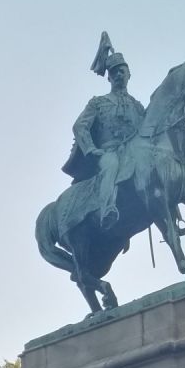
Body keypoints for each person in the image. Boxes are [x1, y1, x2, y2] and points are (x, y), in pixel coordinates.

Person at [62, 32, 146, 230]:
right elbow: (79, 126)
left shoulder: (138, 107)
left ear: (129, 75)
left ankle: (172, 215)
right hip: (108, 152)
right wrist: (91, 149)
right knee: (111, 165)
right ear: (108, 77)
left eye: (121, 71)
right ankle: (106, 209)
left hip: (133, 153)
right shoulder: (98, 103)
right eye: (114, 72)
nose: (118, 75)